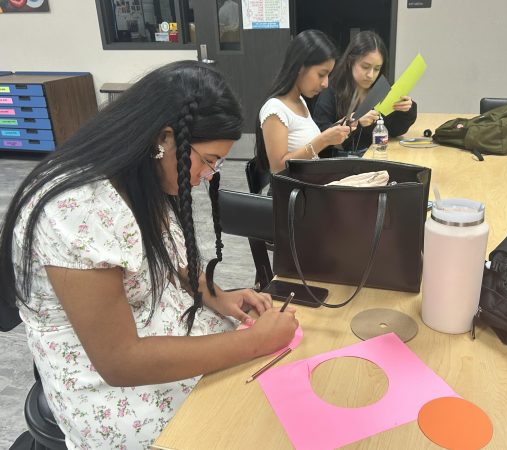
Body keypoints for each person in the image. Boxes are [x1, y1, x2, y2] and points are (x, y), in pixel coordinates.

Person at [0, 61, 298, 448]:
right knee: (235, 424)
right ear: (164, 140)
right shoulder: (76, 209)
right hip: (108, 379)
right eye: (207, 160)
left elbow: (167, 259)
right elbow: (120, 361)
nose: (208, 175)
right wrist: (256, 342)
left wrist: (217, 296)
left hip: (156, 328)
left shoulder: (141, 178)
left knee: (259, 399)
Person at [255, 29, 353, 173]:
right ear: (300, 67)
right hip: (292, 192)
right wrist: (324, 140)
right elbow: (278, 168)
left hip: (310, 184)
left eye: (328, 75)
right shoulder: (275, 109)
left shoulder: (300, 100)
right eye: (321, 74)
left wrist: (341, 125)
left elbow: (304, 143)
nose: (325, 83)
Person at [313, 30, 417, 155]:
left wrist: (405, 111)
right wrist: (354, 122)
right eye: (365, 67)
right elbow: (320, 137)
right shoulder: (332, 89)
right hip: (341, 163)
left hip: (376, 156)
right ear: (351, 61)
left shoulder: (381, 89)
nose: (370, 75)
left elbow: (394, 130)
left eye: (377, 69)